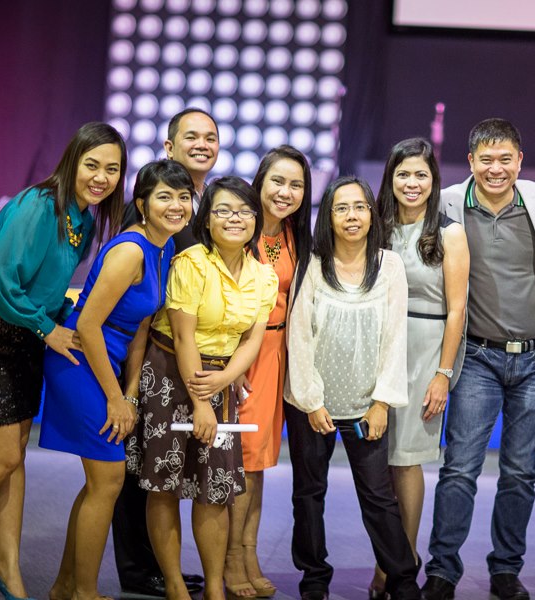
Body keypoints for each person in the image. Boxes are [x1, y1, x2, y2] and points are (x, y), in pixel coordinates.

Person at [0, 121, 125, 600]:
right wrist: (48, 328)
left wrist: (64, 321)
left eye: (112, 169)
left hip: (27, 339)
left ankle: (8, 572)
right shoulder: (41, 205)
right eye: (92, 165)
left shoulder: (87, 217)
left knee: (14, 463)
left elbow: (48, 285)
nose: (101, 177)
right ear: (72, 161)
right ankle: (5, 569)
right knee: (2, 458)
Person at [423, 118, 535, 600]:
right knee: (459, 468)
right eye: (486, 159)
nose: (496, 168)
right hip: (477, 358)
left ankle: (506, 570)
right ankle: (442, 570)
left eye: (506, 158)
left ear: (520, 161)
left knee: (520, 474)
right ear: (470, 162)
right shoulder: (445, 203)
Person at [40, 160, 193, 600]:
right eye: (165, 196)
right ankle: (84, 592)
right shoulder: (131, 249)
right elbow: (87, 326)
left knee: (99, 484)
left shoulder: (163, 247)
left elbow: (142, 325)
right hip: (81, 363)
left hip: (109, 364)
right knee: (107, 481)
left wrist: (130, 392)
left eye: (184, 197)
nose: (177, 205)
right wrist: (115, 398)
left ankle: (65, 586)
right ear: (142, 204)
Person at [125, 176, 278, 600]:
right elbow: (184, 337)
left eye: (245, 211)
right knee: (166, 484)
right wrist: (202, 402)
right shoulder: (190, 262)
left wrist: (225, 383)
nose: (236, 218)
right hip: (171, 373)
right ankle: (175, 586)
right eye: (224, 210)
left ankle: (214, 588)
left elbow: (252, 340)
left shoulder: (264, 276)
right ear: (206, 220)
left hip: (219, 378)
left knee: (214, 488)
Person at [285, 176, 421, 600]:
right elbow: (299, 336)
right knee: (309, 493)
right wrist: (310, 400)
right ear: (328, 216)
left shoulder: (390, 265)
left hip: (367, 405)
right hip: (313, 403)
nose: (351, 216)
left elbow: (396, 337)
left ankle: (401, 578)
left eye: (359, 207)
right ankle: (314, 577)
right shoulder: (311, 262)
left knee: (379, 497)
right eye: (341, 208)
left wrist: (381, 402)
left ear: (371, 213)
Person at [113, 107, 219, 597]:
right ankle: (139, 571)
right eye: (190, 136)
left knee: (160, 471)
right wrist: (130, 386)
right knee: (135, 472)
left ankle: (157, 565)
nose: (202, 144)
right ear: (168, 146)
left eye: (210, 137)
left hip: (183, 356)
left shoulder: (206, 204)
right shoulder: (156, 207)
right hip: (142, 351)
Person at [370, 138, 469, 598]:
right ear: (390, 178)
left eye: (421, 175)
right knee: (377, 465)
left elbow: (457, 309)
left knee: (406, 463)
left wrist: (443, 374)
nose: (412, 183)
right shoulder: (376, 227)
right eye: (403, 174)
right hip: (376, 347)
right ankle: (386, 559)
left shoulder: (448, 232)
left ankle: (403, 562)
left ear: (434, 181)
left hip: (426, 349)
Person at [225, 146, 313, 599]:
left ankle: (248, 552)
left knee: (257, 465)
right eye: (277, 181)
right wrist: (233, 358)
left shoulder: (298, 233)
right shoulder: (240, 228)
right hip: (246, 354)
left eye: (296, 184)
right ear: (259, 181)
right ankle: (230, 561)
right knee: (241, 462)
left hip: (280, 353)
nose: (285, 192)